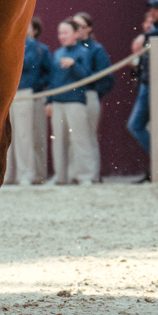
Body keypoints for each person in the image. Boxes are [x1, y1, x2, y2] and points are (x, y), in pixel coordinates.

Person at [45, 19, 92, 185]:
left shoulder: (83, 52)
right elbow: (53, 80)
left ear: (75, 34)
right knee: (58, 141)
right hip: (58, 102)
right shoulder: (57, 53)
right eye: (60, 33)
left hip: (75, 101)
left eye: (66, 32)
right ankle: (60, 176)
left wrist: (74, 65)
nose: (62, 36)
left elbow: (87, 76)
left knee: (80, 139)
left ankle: (85, 175)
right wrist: (49, 101)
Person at [6, 19, 53, 186]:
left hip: (26, 92)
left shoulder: (34, 46)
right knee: (9, 136)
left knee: (25, 136)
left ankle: (26, 174)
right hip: (8, 92)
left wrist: (37, 85)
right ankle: (9, 174)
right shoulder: (9, 41)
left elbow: (27, 64)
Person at [69, 12, 113, 185]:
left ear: (88, 28)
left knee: (88, 136)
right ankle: (75, 173)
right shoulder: (70, 48)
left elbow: (105, 77)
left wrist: (94, 92)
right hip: (73, 96)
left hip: (88, 95)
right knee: (76, 137)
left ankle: (92, 173)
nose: (76, 30)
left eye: (79, 26)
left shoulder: (96, 49)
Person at [126, 0, 158, 169]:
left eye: (156, 8)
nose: (153, 12)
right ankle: (157, 163)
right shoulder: (154, 31)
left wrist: (145, 36)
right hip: (146, 82)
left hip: (156, 83)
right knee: (137, 125)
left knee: (138, 125)